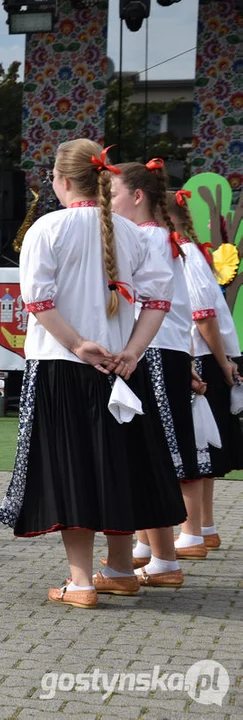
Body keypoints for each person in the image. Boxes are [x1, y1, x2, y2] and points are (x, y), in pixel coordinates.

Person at [0, 139, 177, 610]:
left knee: (69, 468)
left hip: (62, 366)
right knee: (119, 462)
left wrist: (78, 344)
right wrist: (133, 352)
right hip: (121, 367)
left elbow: (37, 302)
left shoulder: (47, 228)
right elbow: (159, 300)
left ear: (60, 181)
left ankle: (80, 581)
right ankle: (119, 568)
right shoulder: (135, 232)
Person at [108, 160, 207, 589]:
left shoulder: (146, 237)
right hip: (157, 351)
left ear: (137, 196)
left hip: (150, 351)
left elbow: (156, 305)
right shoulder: (154, 236)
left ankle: (165, 557)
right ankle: (151, 548)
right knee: (147, 448)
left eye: (111, 195)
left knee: (156, 451)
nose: (106, 203)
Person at [169, 200, 242, 557]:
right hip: (209, 355)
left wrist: (220, 360)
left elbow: (203, 317)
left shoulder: (182, 254)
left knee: (195, 446)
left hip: (200, 356)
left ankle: (192, 532)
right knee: (206, 447)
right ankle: (205, 529)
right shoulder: (191, 252)